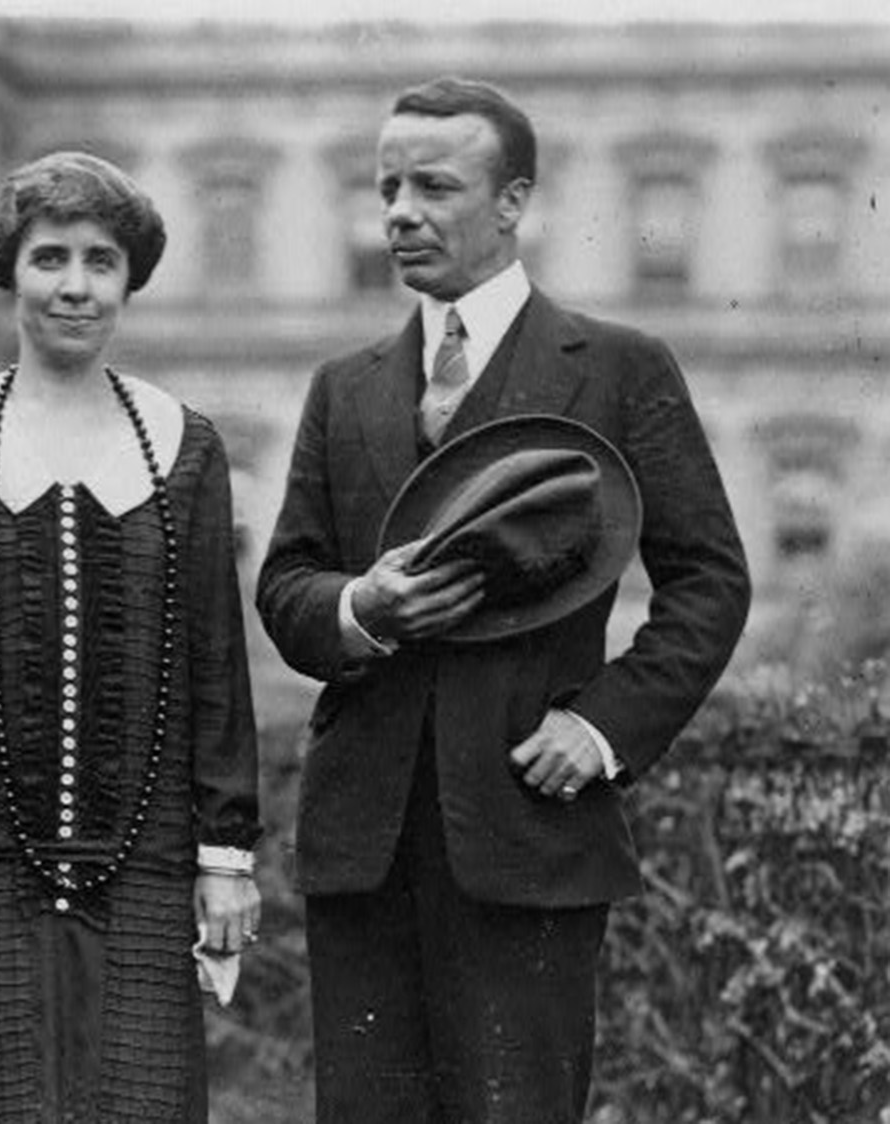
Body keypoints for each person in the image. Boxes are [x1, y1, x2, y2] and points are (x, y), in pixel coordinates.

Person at [256, 77, 751, 1124]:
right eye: (387, 188)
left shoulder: (617, 368)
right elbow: (287, 583)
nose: (399, 213)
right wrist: (360, 608)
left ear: (514, 201)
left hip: (531, 838)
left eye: (433, 187)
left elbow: (708, 580)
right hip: (365, 850)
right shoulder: (344, 386)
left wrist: (600, 729)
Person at [0, 151, 263, 1122]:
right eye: (49, 257)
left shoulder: (186, 444)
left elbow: (215, 663)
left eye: (101, 261)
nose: (74, 286)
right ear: (10, 272)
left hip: (145, 860)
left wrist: (224, 855)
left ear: (129, 280)